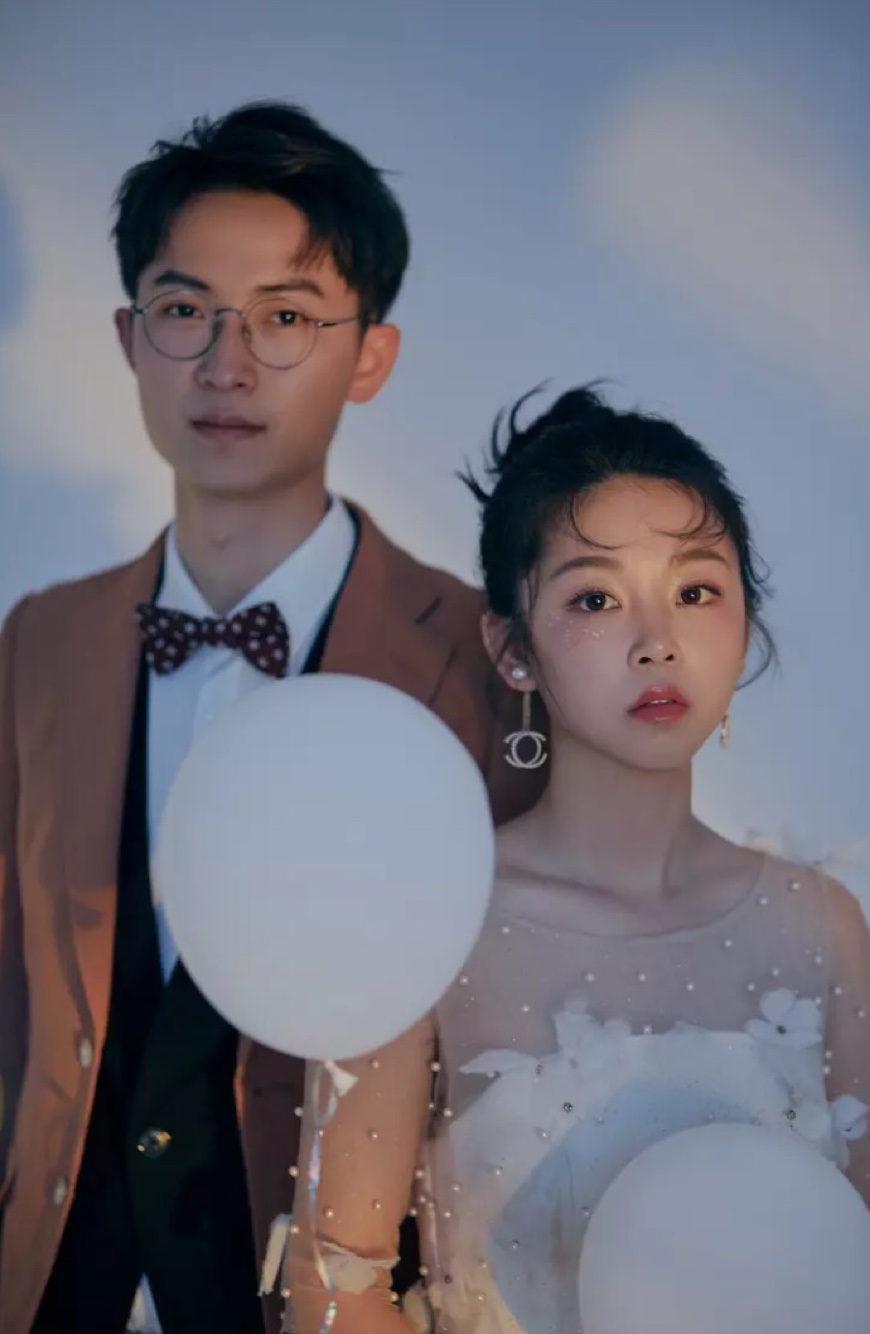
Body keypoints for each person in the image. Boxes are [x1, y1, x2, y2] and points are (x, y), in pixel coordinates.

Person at [0, 102, 543, 1334]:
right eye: (185, 309)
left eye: (286, 318)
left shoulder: (486, 664)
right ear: (131, 338)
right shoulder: (41, 639)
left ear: (371, 356)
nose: (226, 364)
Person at [286, 384, 870, 1333]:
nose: (657, 643)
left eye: (696, 591)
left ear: (745, 619)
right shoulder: (429, 925)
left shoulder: (819, 925)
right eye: (596, 598)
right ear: (512, 650)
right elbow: (333, 1287)